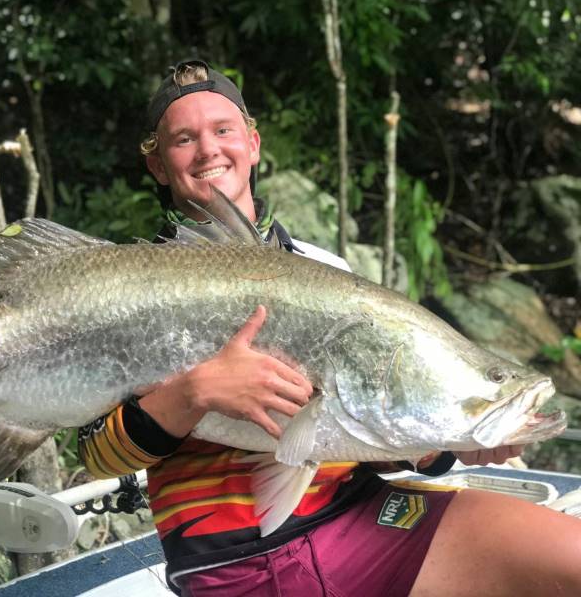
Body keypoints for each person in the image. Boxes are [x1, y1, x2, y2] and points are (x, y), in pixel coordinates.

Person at [78, 60, 581, 596]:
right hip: (244, 558)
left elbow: (369, 427)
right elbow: (97, 456)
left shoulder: (328, 272)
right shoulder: (130, 288)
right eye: (184, 138)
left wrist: (452, 443)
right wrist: (194, 391)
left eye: (223, 130)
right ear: (158, 165)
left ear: (252, 143)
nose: (207, 150)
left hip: (364, 512)